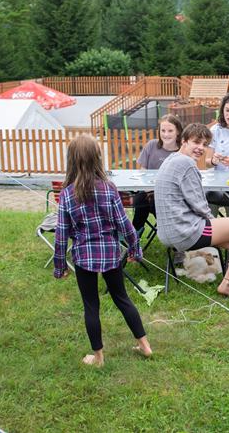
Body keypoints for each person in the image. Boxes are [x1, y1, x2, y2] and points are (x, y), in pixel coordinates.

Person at [54, 134, 152, 367]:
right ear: (97, 158)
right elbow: (125, 225)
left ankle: (98, 358)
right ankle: (145, 345)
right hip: (110, 255)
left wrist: (60, 267)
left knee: (91, 306)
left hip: (83, 257)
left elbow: (61, 235)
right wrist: (135, 250)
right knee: (122, 298)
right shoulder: (109, 189)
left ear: (71, 160)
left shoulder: (67, 194)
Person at [155, 123, 229, 298]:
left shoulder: (171, 159)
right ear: (184, 141)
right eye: (196, 142)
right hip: (185, 231)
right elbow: (199, 205)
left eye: (205, 144)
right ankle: (227, 283)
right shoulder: (187, 164)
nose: (201, 148)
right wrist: (215, 224)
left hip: (167, 232)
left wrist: (221, 231)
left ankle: (228, 275)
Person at [131, 114, 183, 236]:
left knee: (153, 201)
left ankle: (134, 235)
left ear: (178, 132)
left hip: (172, 194)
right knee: (143, 199)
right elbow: (143, 171)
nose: (166, 134)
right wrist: (147, 187)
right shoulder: (151, 145)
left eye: (170, 131)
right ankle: (135, 234)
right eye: (163, 130)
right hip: (148, 191)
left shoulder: (182, 151)